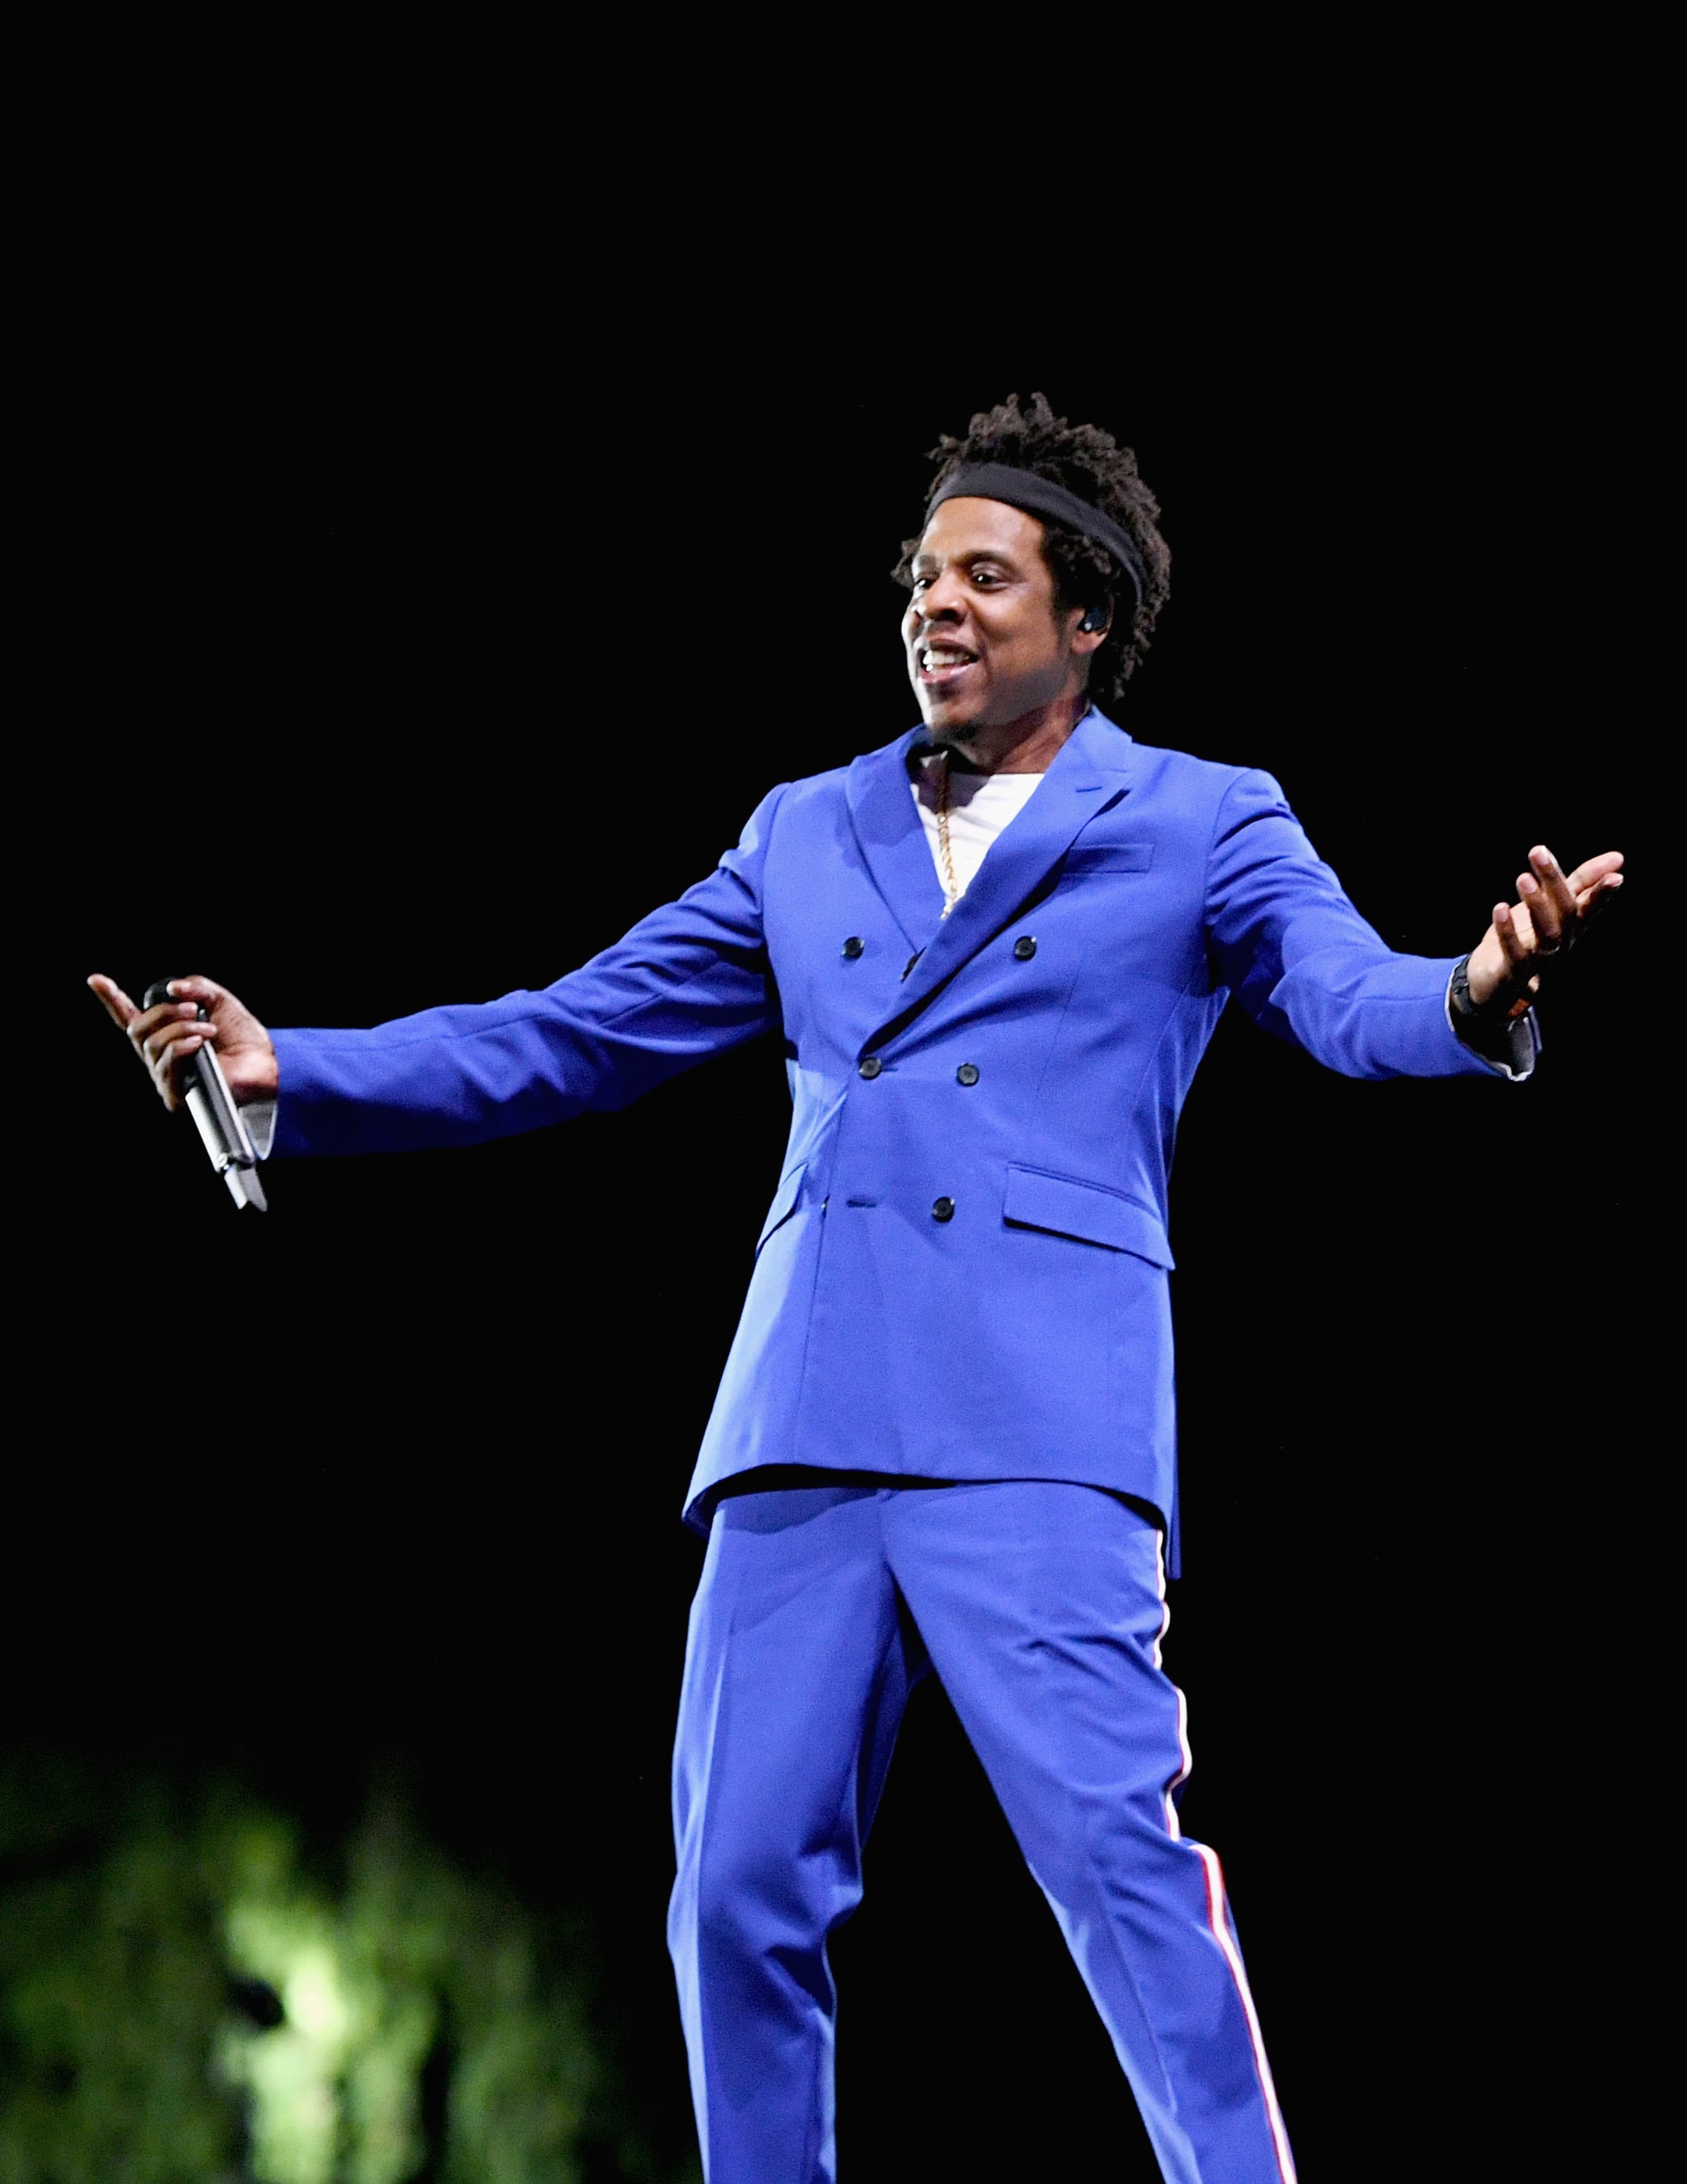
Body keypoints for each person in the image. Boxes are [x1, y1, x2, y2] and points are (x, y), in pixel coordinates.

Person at [90, 393, 1623, 2184]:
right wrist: (299, 1073)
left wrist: (1475, 994)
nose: (938, 606)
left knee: (1124, 1873)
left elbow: (1350, 998)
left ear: (1090, 619)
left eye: (987, 576)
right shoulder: (804, 831)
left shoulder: (1202, 819)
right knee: (733, 1893)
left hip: (1039, 1429)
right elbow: (570, 1037)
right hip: (804, 1422)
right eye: (923, 576)